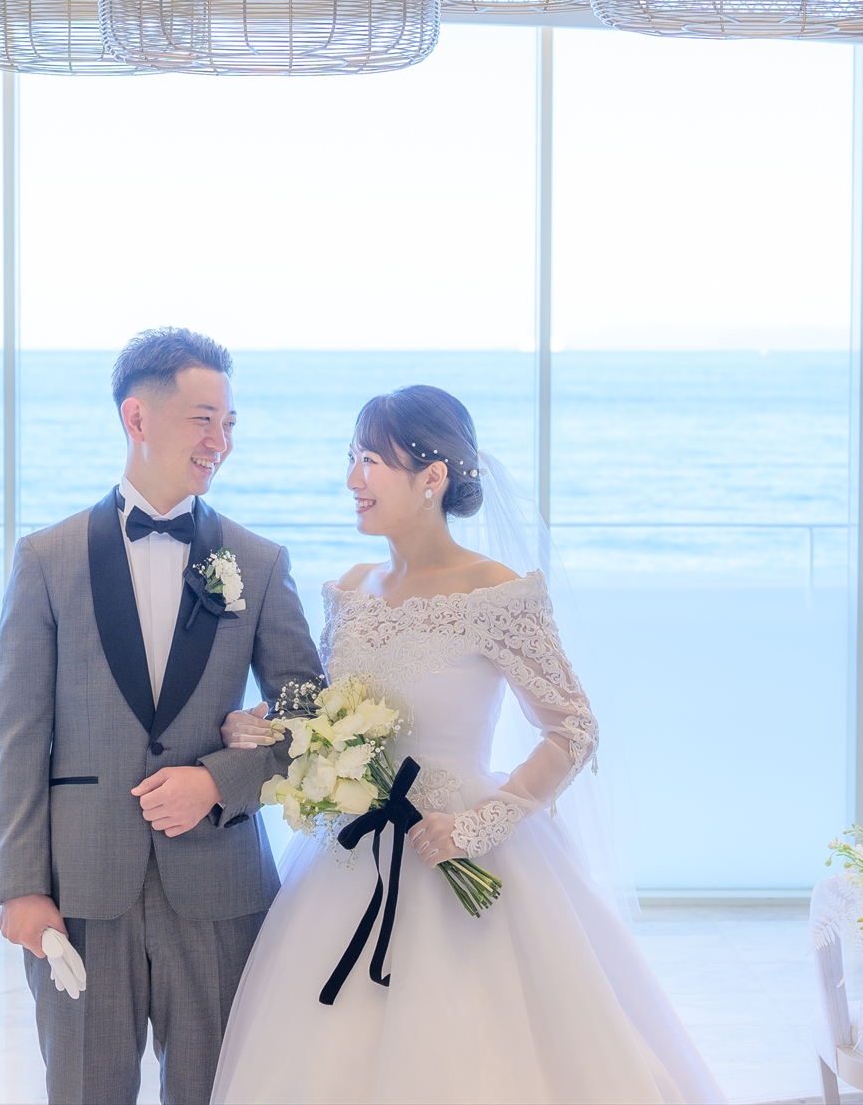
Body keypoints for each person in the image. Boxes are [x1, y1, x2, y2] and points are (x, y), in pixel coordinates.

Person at [209, 385, 724, 1105]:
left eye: (370, 461)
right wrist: (262, 722)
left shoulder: (496, 594)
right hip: (352, 857)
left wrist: (482, 824)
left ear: (433, 477)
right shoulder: (352, 589)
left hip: (464, 848)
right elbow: (329, 709)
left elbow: (573, 727)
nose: (353, 479)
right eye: (351, 458)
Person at [0, 328, 321, 1105]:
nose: (220, 441)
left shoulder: (260, 563)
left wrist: (218, 782)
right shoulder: (46, 560)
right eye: (204, 419)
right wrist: (21, 887)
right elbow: (17, 735)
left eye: (229, 423)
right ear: (137, 419)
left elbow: (312, 723)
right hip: (80, 889)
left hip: (221, 889)